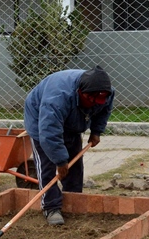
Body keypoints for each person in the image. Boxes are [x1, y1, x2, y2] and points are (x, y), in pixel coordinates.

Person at [23, 66, 115, 226]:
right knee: (47, 166)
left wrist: (96, 131)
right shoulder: (58, 98)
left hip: (72, 119)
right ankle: (51, 207)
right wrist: (60, 161)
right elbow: (48, 132)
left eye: (98, 101)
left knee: (75, 165)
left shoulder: (105, 92)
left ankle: (74, 200)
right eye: (91, 100)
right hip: (41, 121)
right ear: (81, 92)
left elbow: (104, 110)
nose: (94, 104)